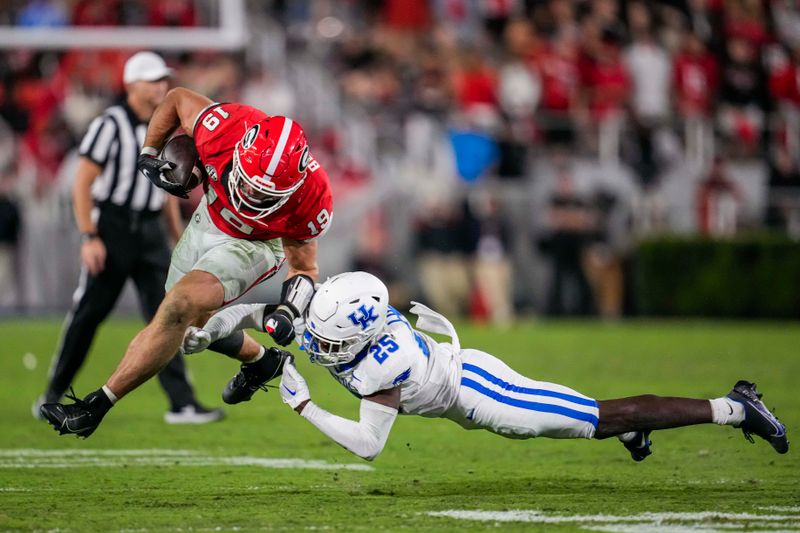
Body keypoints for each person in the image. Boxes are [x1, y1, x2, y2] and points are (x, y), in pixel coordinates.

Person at [183, 272, 788, 462]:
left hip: (480, 392)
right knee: (590, 417)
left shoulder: (380, 365)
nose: (315, 341)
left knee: (597, 416)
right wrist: (211, 326)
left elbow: (369, 445)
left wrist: (304, 404)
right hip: (456, 379)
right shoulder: (339, 311)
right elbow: (274, 308)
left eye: (323, 338)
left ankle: (734, 406)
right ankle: (634, 429)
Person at [40, 79, 333, 438]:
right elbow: (176, 99)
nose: (252, 195)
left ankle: (94, 407)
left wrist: (289, 311)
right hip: (208, 218)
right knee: (182, 325)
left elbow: (304, 266)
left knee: (178, 309)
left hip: (255, 245)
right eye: (250, 182)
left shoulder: (312, 195)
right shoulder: (225, 127)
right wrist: (150, 151)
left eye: (264, 192)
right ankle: (263, 362)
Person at [34, 51, 222, 424]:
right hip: (115, 227)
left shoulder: (167, 128)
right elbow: (83, 181)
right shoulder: (111, 123)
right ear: (131, 84)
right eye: (152, 80)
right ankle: (53, 394)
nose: (161, 86)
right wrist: (90, 235)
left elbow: (166, 192)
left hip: (150, 230)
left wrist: (177, 239)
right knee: (88, 314)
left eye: (162, 79)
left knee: (168, 315)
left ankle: (181, 402)